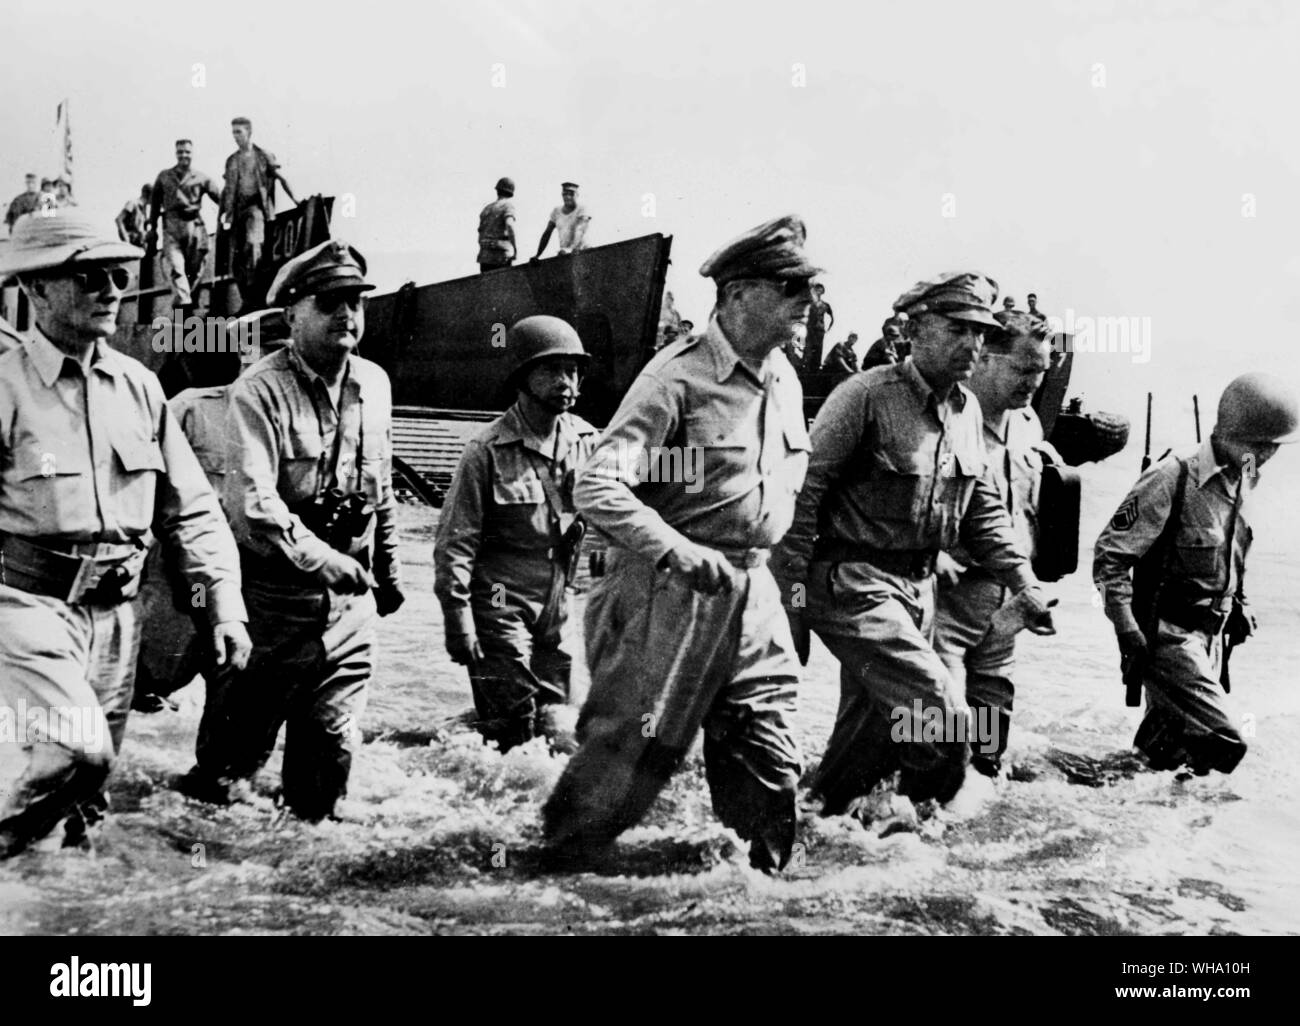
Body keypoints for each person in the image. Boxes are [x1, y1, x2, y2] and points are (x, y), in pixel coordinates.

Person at [542, 214, 819, 873]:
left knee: (771, 763)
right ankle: (541, 888)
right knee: (625, 770)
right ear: (738, 294)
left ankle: (758, 903)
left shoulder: (785, 380)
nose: (807, 303)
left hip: (753, 599)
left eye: (810, 289)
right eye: (791, 289)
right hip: (667, 593)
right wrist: (675, 547)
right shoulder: (675, 380)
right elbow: (598, 486)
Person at [0, 211, 250, 859]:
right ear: (35, 290)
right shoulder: (6, 388)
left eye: (118, 274)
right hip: (29, 608)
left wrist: (223, 603)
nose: (111, 289)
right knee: (73, 751)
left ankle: (51, 906)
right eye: (88, 277)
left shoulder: (140, 389)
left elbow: (191, 510)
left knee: (90, 793)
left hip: (118, 618)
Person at [773, 272, 1054, 828]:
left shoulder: (967, 410)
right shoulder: (864, 397)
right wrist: (795, 602)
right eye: (957, 329)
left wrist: (1024, 582)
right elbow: (802, 500)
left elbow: (982, 511)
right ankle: (919, 838)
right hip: (854, 587)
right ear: (915, 329)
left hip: (917, 594)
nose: (972, 343)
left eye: (979, 331)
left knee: (866, 745)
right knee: (945, 722)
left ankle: (806, 833)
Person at [183, 239, 404, 821]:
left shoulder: (376, 385)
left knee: (327, 762)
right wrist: (321, 558)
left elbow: (381, 486)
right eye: (330, 302)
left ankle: (312, 869)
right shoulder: (258, 390)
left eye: (356, 301)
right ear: (292, 314)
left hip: (351, 608)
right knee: (229, 773)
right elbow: (254, 501)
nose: (347, 314)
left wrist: (390, 567)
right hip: (271, 604)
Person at [1094, 373, 1298, 775]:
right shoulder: (1173, 476)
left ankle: (1099, 794)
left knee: (1166, 759)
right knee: (1225, 740)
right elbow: (1110, 559)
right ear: (1230, 433)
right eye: (1260, 445)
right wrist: (1126, 629)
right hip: (1167, 636)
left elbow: (1231, 551)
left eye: (1273, 447)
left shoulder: (1243, 477)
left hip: (1210, 636)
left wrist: (1239, 603)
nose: (1267, 456)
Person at [434, 316, 599, 750]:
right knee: (512, 728)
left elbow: (638, 485)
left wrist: (699, 464)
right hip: (500, 607)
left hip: (558, 608)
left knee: (560, 726)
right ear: (522, 377)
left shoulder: (587, 441)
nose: (566, 381)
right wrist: (458, 619)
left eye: (573, 370)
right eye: (551, 369)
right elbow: (455, 544)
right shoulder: (485, 451)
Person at [932, 311, 1058, 778]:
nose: (1032, 383)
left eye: (1040, 372)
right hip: (948, 598)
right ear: (983, 358)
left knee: (988, 733)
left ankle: (973, 810)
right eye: (1022, 370)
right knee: (939, 724)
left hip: (1004, 603)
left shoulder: (1027, 425)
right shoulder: (944, 419)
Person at [132, 337, 247, 714]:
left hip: (248, 572)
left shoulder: (277, 417)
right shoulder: (190, 409)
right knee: (172, 651)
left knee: (234, 674)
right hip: (191, 571)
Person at [220, 117, 298, 309]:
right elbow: (227, 190)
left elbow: (281, 178)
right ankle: (246, 299)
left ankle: (255, 298)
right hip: (237, 211)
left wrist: (296, 199)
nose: (235, 137)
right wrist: (222, 215)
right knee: (237, 260)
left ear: (249, 132)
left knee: (253, 245)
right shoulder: (231, 160)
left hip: (256, 208)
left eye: (239, 132)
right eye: (233, 133)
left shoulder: (263, 155)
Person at [149, 140, 222, 310]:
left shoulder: (201, 177)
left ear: (192, 154)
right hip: (172, 226)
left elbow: (221, 199)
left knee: (195, 270)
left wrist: (230, 216)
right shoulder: (164, 176)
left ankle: (184, 303)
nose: (184, 156)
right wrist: (152, 229)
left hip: (195, 227)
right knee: (176, 268)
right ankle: (184, 305)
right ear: (176, 153)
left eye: (187, 152)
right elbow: (154, 204)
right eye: (180, 152)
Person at [534, 182, 590, 258]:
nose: (568, 197)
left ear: (577, 195)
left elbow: (580, 229)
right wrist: (537, 255)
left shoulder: (582, 209)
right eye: (565, 194)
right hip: (565, 252)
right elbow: (547, 233)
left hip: (582, 250)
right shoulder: (556, 211)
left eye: (571, 194)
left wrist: (574, 248)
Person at [477, 176, 518, 272]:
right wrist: (515, 249)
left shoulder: (486, 209)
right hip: (501, 256)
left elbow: (480, 233)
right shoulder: (507, 206)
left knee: (488, 286)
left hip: (484, 256)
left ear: (498, 190)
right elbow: (510, 225)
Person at [801, 282, 834, 373]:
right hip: (810, 329)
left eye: (821, 289)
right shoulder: (810, 304)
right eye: (817, 289)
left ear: (823, 291)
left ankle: (816, 368)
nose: (819, 291)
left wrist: (828, 329)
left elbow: (832, 318)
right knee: (808, 348)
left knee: (818, 349)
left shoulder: (825, 305)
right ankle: (806, 368)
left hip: (820, 330)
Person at [115, 183, 153, 248]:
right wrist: (126, 237)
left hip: (138, 237)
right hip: (131, 236)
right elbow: (119, 219)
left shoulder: (143, 209)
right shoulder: (133, 203)